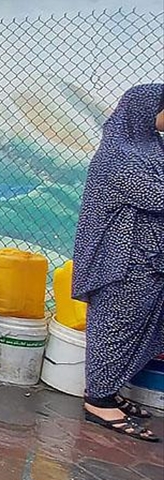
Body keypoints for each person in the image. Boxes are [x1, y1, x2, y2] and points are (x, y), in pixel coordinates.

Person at [73, 84, 164, 443]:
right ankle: (97, 400)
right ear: (145, 110)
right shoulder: (119, 155)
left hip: (150, 259)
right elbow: (158, 196)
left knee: (144, 326)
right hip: (122, 261)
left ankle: (109, 390)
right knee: (116, 327)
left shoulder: (152, 148)